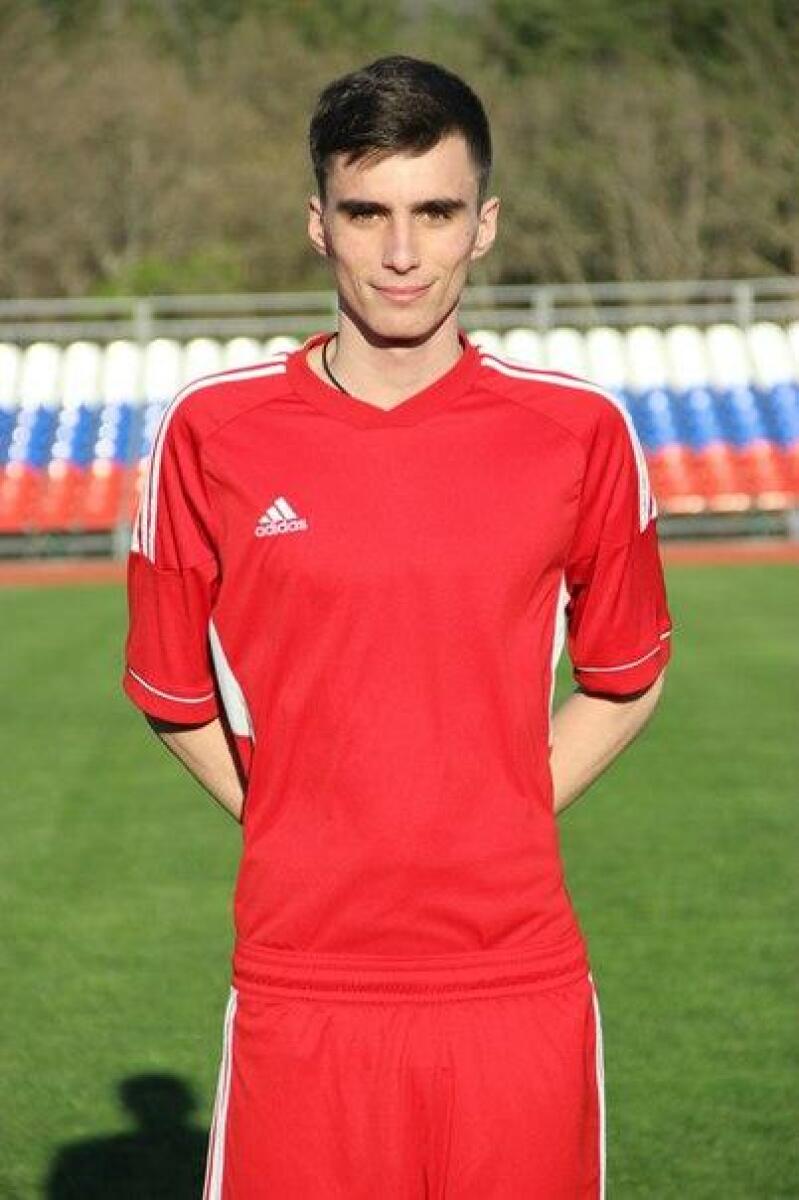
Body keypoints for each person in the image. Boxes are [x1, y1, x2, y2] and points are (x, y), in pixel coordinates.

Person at [123, 54, 672, 1199]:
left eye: (436, 212)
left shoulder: (578, 431)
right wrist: (301, 822)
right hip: (303, 977)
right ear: (318, 223)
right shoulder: (209, 431)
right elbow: (169, 691)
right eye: (368, 212)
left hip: (513, 976)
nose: (403, 252)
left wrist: (496, 809)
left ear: (485, 225)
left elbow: (624, 674)